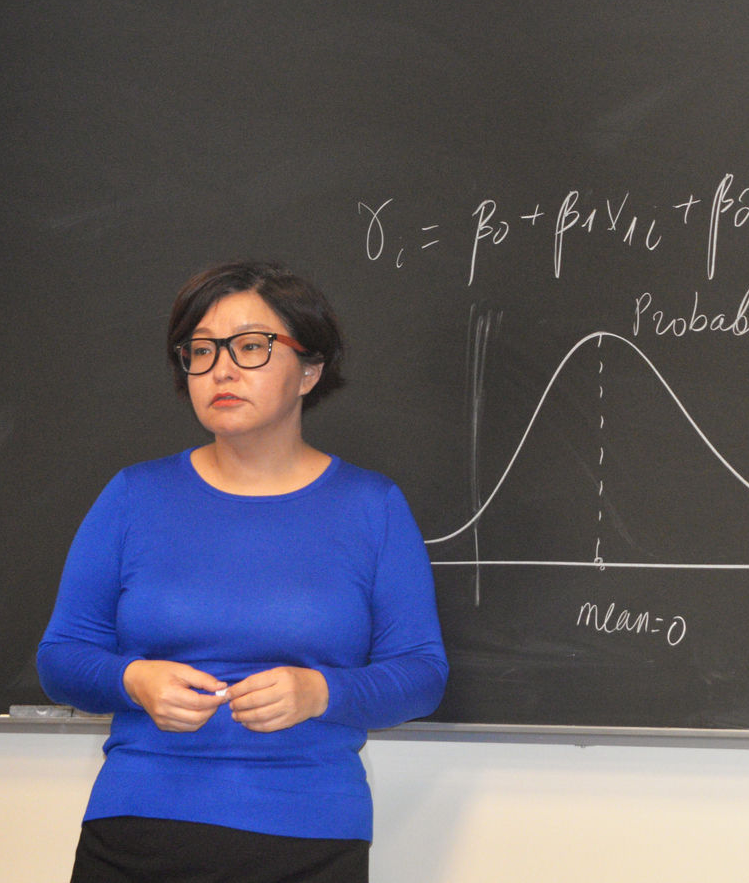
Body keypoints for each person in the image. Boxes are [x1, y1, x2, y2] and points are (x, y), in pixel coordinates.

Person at [37, 260, 447, 883]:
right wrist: (133, 680)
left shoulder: (372, 506)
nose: (221, 370)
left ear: (309, 370)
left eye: (251, 347)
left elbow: (421, 673)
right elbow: (61, 657)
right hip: (136, 828)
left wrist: (322, 693)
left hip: (308, 834)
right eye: (201, 351)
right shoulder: (133, 496)